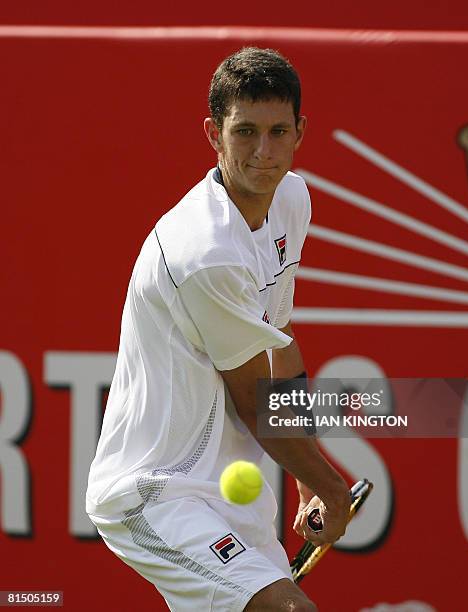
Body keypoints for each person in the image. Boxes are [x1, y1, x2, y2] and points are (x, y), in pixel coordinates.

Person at [86, 46, 350, 612]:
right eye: (245, 131)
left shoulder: (292, 201)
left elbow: (280, 343)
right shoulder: (205, 252)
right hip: (155, 494)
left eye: (279, 131)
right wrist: (329, 484)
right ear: (213, 134)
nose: (263, 152)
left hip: (230, 494)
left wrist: (307, 478)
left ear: (301, 132)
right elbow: (256, 403)